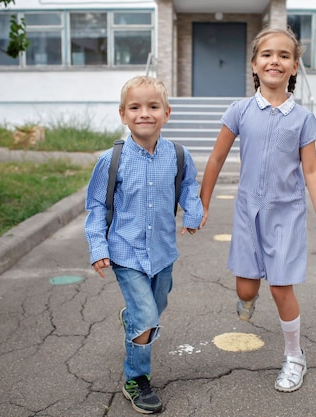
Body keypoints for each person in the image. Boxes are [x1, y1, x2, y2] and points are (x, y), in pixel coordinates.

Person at [198, 27, 316, 393]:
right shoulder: (240, 111)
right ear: (254, 64)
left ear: (294, 66)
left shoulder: (303, 119)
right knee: (246, 290)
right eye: (266, 54)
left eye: (283, 55)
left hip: (287, 214)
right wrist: (201, 203)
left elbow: (311, 170)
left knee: (281, 288)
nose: (274, 60)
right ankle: (249, 296)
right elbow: (215, 159)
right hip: (248, 213)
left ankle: (295, 356)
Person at [84, 75, 203, 414]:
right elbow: (96, 206)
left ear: (167, 112)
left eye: (153, 107)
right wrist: (98, 248)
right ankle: (136, 378)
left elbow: (189, 187)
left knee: (154, 308)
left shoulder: (178, 155)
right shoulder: (112, 160)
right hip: (126, 251)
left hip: (163, 252)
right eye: (135, 107)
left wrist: (193, 214)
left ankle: (134, 318)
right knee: (148, 317)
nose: (144, 113)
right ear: (123, 114)